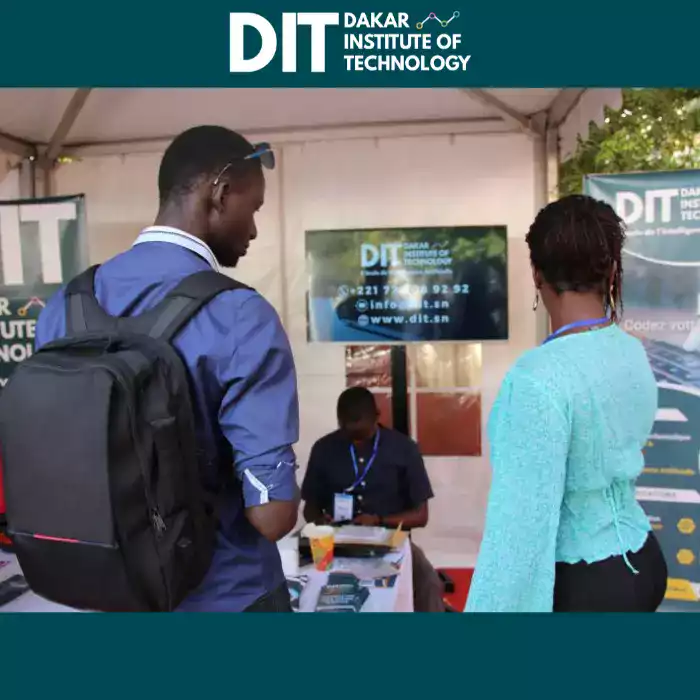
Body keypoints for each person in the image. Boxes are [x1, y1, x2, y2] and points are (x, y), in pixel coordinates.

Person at [35, 126, 300, 612]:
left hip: (103, 595)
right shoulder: (241, 314)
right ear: (219, 193)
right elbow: (272, 516)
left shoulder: (64, 306)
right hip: (226, 598)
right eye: (254, 208)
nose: (256, 229)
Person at [466, 194, 668, 613]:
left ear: (536, 273)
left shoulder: (536, 379)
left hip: (583, 585)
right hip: (644, 559)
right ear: (612, 270)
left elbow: (519, 532)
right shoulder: (632, 351)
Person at [301, 387, 446, 612]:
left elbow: (420, 515)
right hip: (334, 545)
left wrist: (379, 519)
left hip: (390, 543)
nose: (357, 442)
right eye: (350, 435)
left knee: (428, 582)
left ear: (378, 416)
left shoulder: (404, 449)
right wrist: (320, 520)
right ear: (339, 420)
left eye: (363, 435)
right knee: (297, 582)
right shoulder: (323, 449)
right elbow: (309, 507)